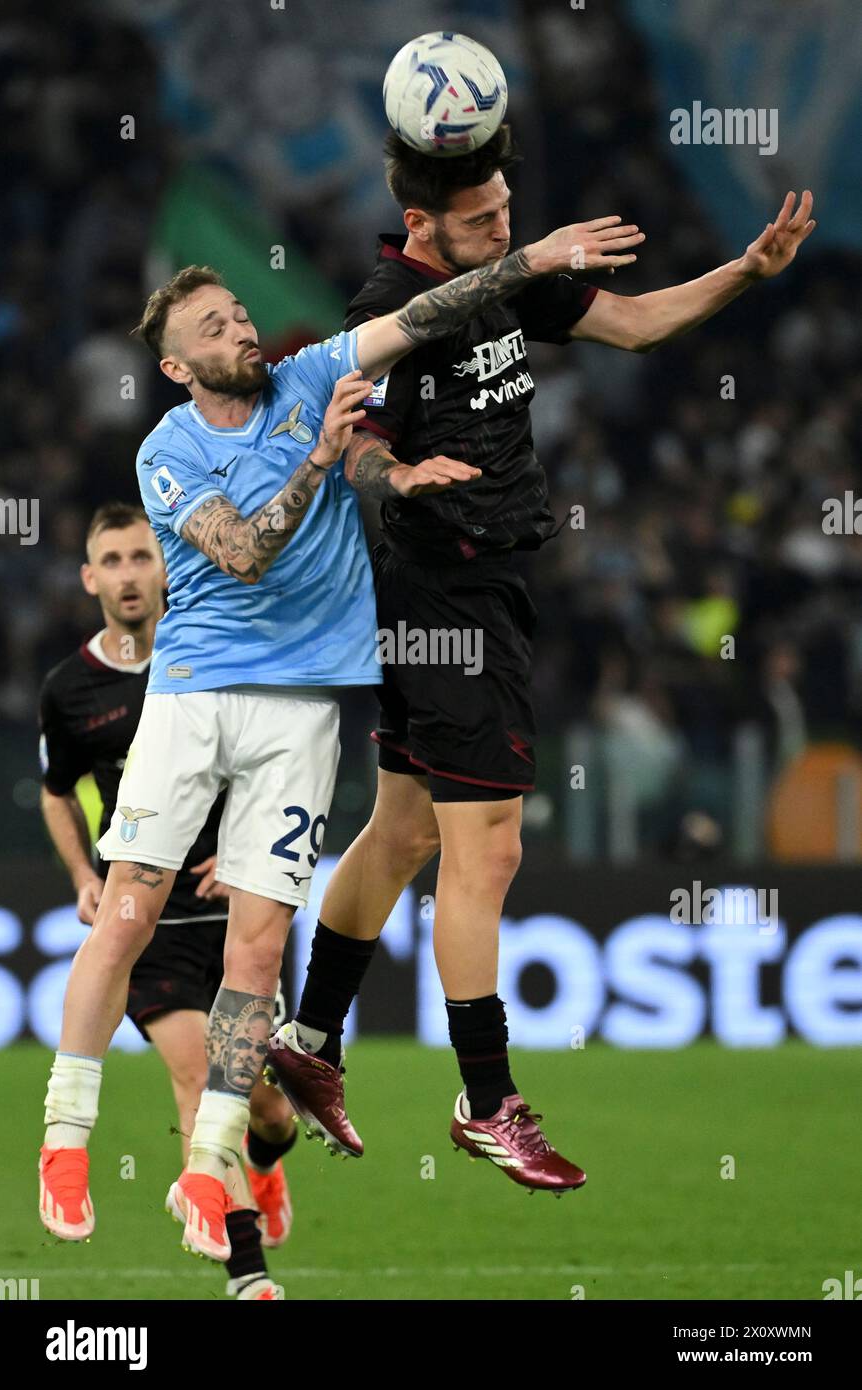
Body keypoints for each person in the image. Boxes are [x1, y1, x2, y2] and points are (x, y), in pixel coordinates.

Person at [38, 214, 633, 1258]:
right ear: (179, 365)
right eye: (215, 326)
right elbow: (243, 554)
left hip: (308, 705)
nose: (240, 328)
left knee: (259, 949)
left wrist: (525, 264)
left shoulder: (313, 370)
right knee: (127, 912)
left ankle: (209, 1161)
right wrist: (318, 460)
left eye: (238, 311)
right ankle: (66, 1135)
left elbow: (422, 312)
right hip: (196, 692)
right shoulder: (168, 448)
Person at [265, 127, 816, 1193]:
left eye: (508, 206)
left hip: (483, 585)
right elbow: (356, 438)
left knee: (403, 828)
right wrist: (395, 479)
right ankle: (484, 1101)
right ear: (421, 224)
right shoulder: (389, 304)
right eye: (481, 219)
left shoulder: (504, 279)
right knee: (490, 855)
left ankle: (309, 1038)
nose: (504, 227)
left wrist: (743, 271)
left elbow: (637, 322)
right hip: (444, 590)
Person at [39, 501, 295, 1299]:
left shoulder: (212, 653)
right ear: (90, 578)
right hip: (145, 923)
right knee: (197, 1070)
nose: (127, 575)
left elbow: (268, 760)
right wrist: (85, 874)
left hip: (237, 915)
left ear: (164, 568)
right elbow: (57, 791)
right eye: (110, 561)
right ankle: (248, 1275)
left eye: (140, 557)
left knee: (269, 1108)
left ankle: (265, 1158)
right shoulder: (70, 689)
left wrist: (248, 847)